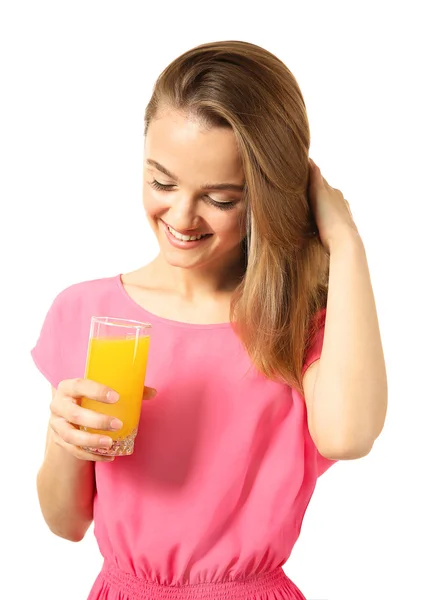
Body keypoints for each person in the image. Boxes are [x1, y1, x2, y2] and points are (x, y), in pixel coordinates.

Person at [31, 40, 388, 600]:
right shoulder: (86, 311)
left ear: (269, 197)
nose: (180, 216)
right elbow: (66, 523)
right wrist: (65, 441)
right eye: (162, 183)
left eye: (220, 199)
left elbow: (347, 437)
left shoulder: (295, 321)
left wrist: (344, 241)